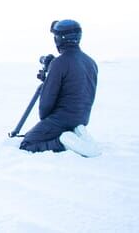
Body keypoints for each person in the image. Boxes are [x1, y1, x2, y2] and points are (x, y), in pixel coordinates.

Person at [19, 19, 101, 157]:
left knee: (27, 143)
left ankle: (63, 143)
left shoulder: (59, 63)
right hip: (81, 119)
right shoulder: (91, 62)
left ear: (59, 39)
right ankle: (77, 133)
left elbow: (45, 105)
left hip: (61, 120)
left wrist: (47, 122)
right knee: (37, 133)